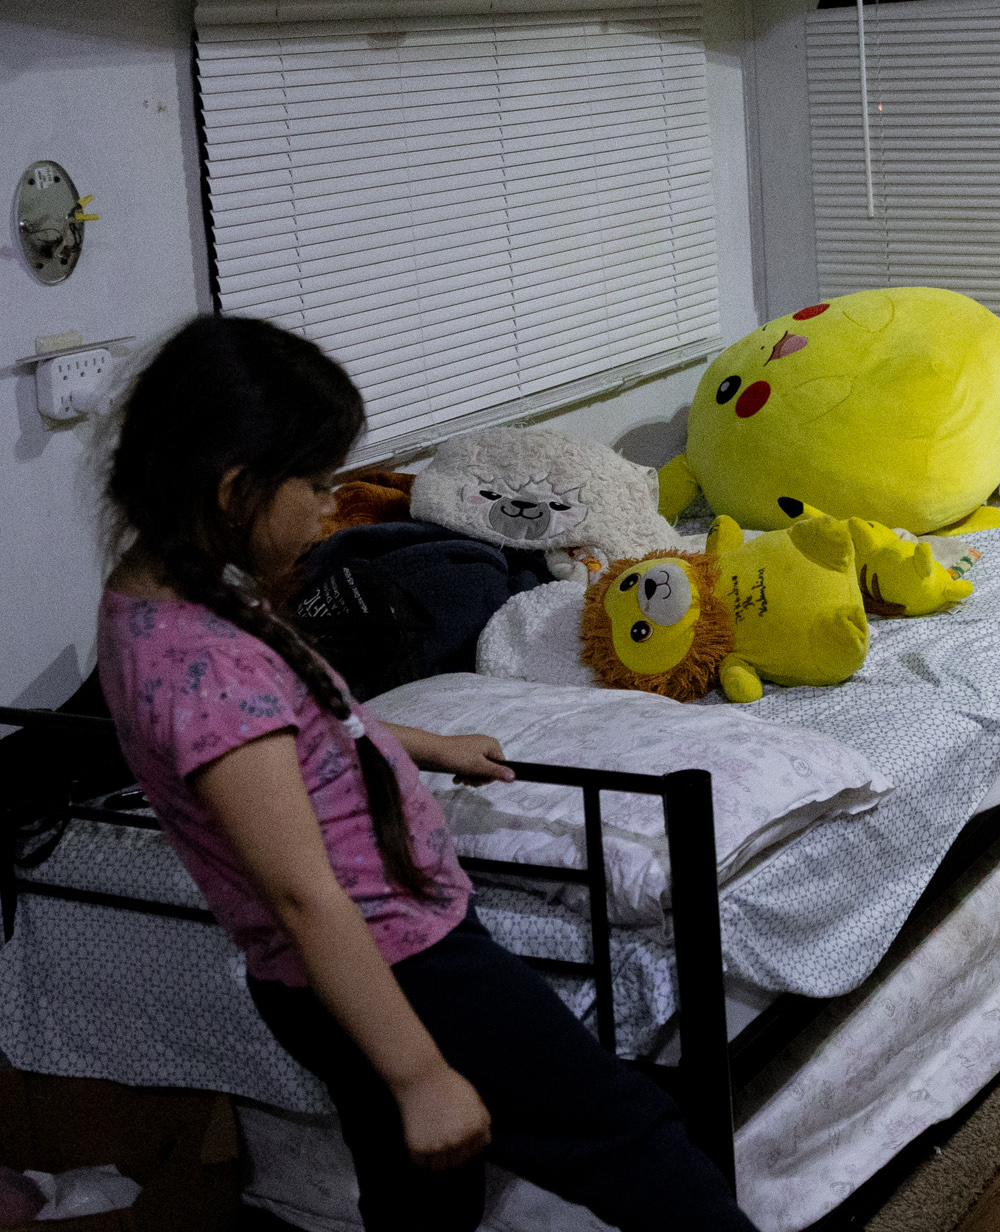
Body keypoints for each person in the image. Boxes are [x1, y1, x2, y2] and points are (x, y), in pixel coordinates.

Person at [94, 315, 753, 1232]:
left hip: (338, 973)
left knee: (423, 1186)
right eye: (318, 484)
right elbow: (301, 895)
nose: (332, 508)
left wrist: (429, 745)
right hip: (394, 961)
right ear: (235, 489)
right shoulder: (196, 666)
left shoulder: (170, 593)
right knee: (628, 1132)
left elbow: (306, 710)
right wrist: (421, 1073)